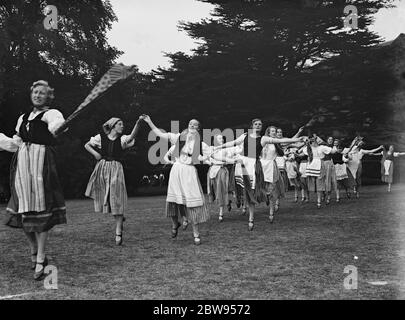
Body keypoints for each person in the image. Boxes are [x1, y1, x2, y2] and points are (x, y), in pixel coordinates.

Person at [0, 80, 66, 280]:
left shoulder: (52, 114)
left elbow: (56, 127)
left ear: (48, 96)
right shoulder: (23, 118)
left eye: (42, 93)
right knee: (22, 209)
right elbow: (16, 142)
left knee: (41, 209)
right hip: (23, 164)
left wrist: (59, 127)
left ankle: (40, 257)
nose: (37, 95)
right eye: (35, 92)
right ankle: (34, 249)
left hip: (42, 164)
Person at [215, 119, 305, 230]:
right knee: (240, 189)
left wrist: (297, 138)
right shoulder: (245, 136)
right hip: (242, 164)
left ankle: (251, 218)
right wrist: (218, 147)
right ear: (252, 126)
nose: (258, 126)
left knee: (252, 191)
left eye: (260, 124)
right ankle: (239, 202)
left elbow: (280, 141)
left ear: (262, 127)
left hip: (254, 165)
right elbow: (233, 143)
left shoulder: (263, 139)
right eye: (256, 124)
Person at [142, 115, 211, 245]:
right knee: (173, 201)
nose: (192, 125)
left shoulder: (201, 144)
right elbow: (159, 134)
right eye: (190, 123)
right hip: (176, 171)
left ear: (198, 128)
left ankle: (196, 233)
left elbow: (208, 155)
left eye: (195, 124)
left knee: (192, 202)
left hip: (189, 172)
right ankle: (175, 224)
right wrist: (149, 121)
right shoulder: (178, 138)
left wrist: (205, 159)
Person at [84, 116, 141, 245]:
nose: (122, 126)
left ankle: (118, 230)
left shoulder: (122, 139)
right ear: (113, 126)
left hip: (116, 169)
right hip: (103, 168)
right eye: (120, 124)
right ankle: (119, 217)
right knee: (108, 198)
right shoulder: (100, 138)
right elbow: (87, 145)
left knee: (117, 199)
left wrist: (138, 123)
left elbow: (132, 136)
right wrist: (95, 154)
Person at [261, 126, 298, 222]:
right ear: (268, 132)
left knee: (272, 188)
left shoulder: (277, 143)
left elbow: (287, 142)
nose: (274, 132)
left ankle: (271, 212)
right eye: (272, 131)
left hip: (271, 166)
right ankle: (265, 197)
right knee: (261, 186)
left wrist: (298, 136)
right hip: (261, 165)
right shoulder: (264, 140)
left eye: (275, 131)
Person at [206, 135, 240, 222]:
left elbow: (231, 158)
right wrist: (209, 162)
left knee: (221, 190)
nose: (222, 140)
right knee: (215, 190)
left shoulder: (226, 149)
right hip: (212, 170)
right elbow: (206, 158)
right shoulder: (211, 148)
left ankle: (221, 213)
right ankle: (227, 202)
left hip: (222, 171)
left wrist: (232, 159)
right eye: (219, 138)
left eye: (222, 138)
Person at [302, 135, 337, 208]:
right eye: (313, 140)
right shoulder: (308, 148)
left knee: (319, 183)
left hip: (320, 165)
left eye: (315, 139)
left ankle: (319, 200)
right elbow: (302, 152)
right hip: (311, 166)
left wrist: (335, 146)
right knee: (313, 183)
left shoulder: (322, 147)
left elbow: (333, 151)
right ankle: (319, 197)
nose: (315, 141)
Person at [323, 136, 339, 204]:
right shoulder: (324, 146)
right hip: (324, 163)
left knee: (333, 180)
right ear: (327, 140)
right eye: (329, 139)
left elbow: (335, 152)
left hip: (330, 163)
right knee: (326, 180)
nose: (330, 140)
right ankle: (327, 196)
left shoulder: (333, 147)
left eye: (331, 139)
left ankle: (337, 196)